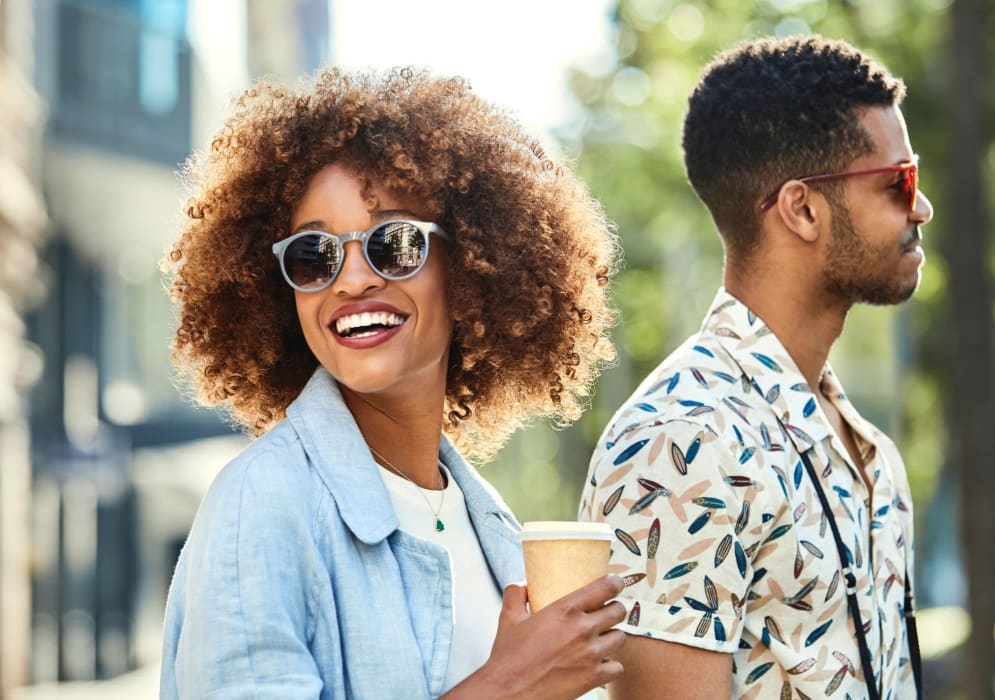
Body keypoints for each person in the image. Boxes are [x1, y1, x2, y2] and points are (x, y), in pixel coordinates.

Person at [161, 67, 626, 699]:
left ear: (468, 265)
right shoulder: (261, 505)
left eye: (395, 243)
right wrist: (511, 686)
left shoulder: (488, 522)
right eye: (313, 255)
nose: (351, 280)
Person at [579, 36, 933, 700]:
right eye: (898, 182)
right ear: (802, 209)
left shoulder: (867, 451)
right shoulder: (681, 443)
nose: (921, 207)